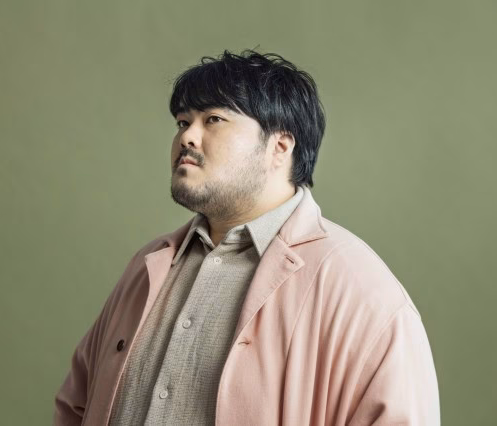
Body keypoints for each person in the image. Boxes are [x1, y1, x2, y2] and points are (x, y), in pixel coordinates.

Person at [53, 49, 440, 426]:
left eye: (214, 119)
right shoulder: (148, 267)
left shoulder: (358, 286)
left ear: (279, 147)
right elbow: (76, 406)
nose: (188, 137)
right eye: (183, 122)